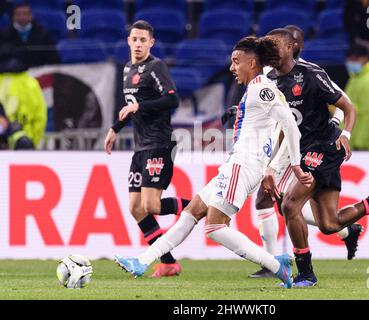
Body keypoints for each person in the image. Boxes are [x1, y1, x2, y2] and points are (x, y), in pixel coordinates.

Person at [114, 35, 314, 289]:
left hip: (243, 166)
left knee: (215, 227)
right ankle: (142, 262)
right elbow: (274, 126)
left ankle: (276, 264)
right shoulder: (256, 89)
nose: (232, 67)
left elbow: (290, 125)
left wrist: (293, 164)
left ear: (252, 63)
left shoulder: (262, 88)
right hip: (238, 165)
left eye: (236, 61)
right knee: (191, 212)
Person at [262, 37, 369, 288]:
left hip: (325, 147)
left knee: (290, 205)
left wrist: (345, 134)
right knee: (329, 224)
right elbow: (285, 126)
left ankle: (305, 274)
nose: (270, 51)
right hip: (303, 151)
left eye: (275, 45)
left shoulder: (311, 73)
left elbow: (347, 106)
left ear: (290, 48)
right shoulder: (270, 81)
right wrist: (273, 162)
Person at [247, 26, 363, 279]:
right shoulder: (270, 75)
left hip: (308, 145)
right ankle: (344, 231)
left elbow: (342, 102)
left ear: (295, 46)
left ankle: (277, 263)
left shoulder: (311, 72)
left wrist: (338, 127)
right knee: (281, 203)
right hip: (284, 143)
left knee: (282, 202)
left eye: (295, 41)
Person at [103, 20, 190, 278]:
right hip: (141, 147)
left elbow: (172, 99)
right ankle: (168, 262)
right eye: (135, 39)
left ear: (151, 42)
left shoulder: (156, 67)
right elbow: (131, 104)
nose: (138, 44)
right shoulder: (128, 68)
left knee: (150, 205)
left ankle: (201, 206)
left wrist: (139, 107)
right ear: (128, 41)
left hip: (159, 143)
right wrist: (115, 129)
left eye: (144, 40)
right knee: (135, 207)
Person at [0, 1, 60, 69]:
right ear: (13, 17)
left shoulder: (43, 33)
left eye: (25, 14)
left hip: (39, 73)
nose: (22, 17)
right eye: (18, 14)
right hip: (13, 74)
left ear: (31, 16)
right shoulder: (4, 35)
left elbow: (53, 59)